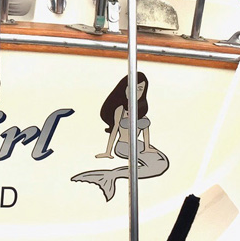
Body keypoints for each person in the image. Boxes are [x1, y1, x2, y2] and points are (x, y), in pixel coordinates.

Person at [70, 72, 170, 201]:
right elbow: (115, 129)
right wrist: (107, 152)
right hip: (123, 145)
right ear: (124, 88)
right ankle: (112, 175)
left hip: (137, 144)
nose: (136, 92)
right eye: (132, 87)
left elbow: (146, 131)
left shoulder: (141, 112)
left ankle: (112, 175)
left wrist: (147, 147)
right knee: (157, 165)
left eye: (140, 89)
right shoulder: (120, 109)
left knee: (161, 164)